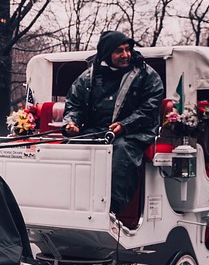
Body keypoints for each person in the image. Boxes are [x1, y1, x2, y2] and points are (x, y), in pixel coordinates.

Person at [62, 30, 165, 215]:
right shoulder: (88, 76)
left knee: (123, 149)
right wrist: (71, 123)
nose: (126, 55)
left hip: (134, 133)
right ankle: (67, 203)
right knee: (70, 146)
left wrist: (125, 125)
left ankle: (112, 210)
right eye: (119, 51)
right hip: (96, 131)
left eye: (128, 50)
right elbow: (73, 104)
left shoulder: (147, 75)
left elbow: (150, 108)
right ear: (107, 53)